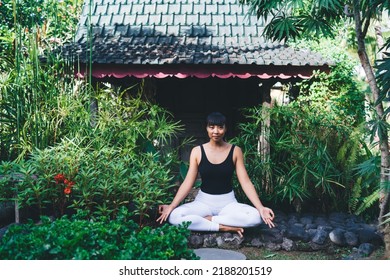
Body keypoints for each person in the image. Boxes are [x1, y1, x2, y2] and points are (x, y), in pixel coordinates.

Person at [157, 112, 275, 237]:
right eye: (211, 127)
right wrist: (172, 206)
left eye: (220, 127)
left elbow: (245, 182)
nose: (216, 131)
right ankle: (222, 227)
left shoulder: (235, 151)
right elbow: (188, 182)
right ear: (206, 128)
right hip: (203, 203)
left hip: (228, 203)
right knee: (175, 216)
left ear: (225, 129)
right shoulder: (197, 151)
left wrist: (261, 207)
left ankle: (209, 220)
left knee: (255, 217)